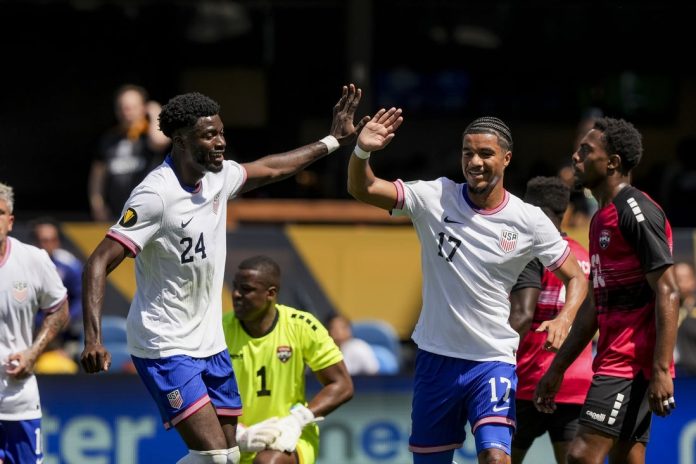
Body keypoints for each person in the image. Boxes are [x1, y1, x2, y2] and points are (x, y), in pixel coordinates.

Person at [80, 84, 368, 464]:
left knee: (229, 457)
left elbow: (272, 167)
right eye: (209, 135)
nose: (221, 142)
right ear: (181, 141)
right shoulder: (155, 196)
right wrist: (94, 339)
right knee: (216, 456)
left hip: (210, 342)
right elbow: (98, 262)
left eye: (221, 132)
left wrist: (331, 141)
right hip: (165, 344)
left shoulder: (216, 177)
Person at [347, 111, 588, 464]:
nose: (475, 162)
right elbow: (363, 188)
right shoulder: (434, 197)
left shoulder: (528, 220)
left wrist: (565, 318)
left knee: (495, 457)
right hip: (436, 359)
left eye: (485, 154)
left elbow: (577, 277)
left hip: (492, 360)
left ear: (506, 158)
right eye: (467, 153)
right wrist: (362, 151)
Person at [534, 117, 680, 464]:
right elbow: (594, 305)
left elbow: (669, 291)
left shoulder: (636, 211)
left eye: (586, 151)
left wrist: (661, 369)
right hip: (616, 360)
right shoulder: (601, 217)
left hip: (630, 364)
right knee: (627, 458)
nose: (576, 156)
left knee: (581, 456)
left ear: (612, 162)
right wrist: (558, 367)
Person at [222, 256, 353, 464]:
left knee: (268, 463)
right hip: (234, 438)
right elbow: (200, 391)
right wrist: (236, 433)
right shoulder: (219, 331)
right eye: (235, 287)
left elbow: (342, 384)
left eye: (246, 289)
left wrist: (297, 420)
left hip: (290, 435)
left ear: (271, 293)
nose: (236, 294)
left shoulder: (302, 326)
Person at [508, 176, 592, 464]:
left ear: (530, 210)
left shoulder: (531, 252)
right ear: (563, 211)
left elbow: (521, 316)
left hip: (529, 379)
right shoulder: (582, 256)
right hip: (576, 381)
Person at [0, 182, 70, 463]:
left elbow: (59, 310)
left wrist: (33, 352)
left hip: (20, 401)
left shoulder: (34, 260)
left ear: (10, 221)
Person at [88, 84, 171, 222]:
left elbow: (160, 142)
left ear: (143, 108)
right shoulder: (109, 139)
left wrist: (156, 112)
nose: (126, 112)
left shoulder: (150, 135)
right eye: (122, 107)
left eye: (132, 107)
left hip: (149, 216)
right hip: (116, 216)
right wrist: (97, 205)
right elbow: (97, 175)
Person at [28, 217, 83, 348]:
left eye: (51, 240)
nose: (46, 245)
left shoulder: (69, 265)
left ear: (57, 241)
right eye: (43, 240)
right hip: (29, 331)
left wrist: (68, 317)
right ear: (35, 242)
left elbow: (81, 297)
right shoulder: (23, 265)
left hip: (62, 333)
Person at [674, 261, 696, 375]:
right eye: (676, 279)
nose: (680, 283)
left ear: (693, 281)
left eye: (684, 278)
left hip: (692, 372)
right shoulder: (666, 310)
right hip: (672, 374)